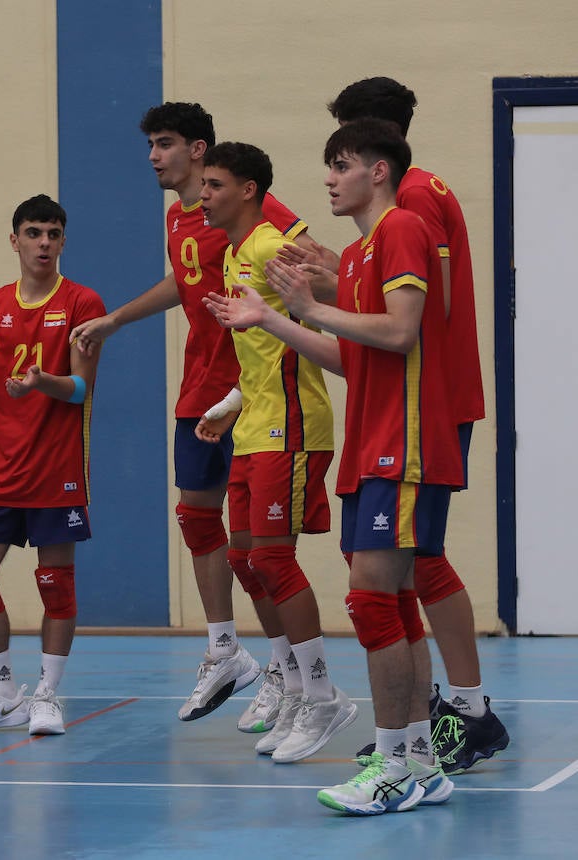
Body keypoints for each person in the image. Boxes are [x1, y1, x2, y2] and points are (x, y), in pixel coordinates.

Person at [205, 119, 456, 814]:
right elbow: (352, 359)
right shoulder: (362, 250)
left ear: (377, 170)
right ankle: (419, 761)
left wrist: (315, 304)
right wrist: (278, 318)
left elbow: (402, 332)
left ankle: (393, 765)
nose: (328, 178)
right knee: (394, 602)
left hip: (401, 444)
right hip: (374, 440)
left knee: (373, 601)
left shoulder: (400, 228)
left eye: (341, 165)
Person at [71, 103, 309, 733]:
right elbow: (183, 281)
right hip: (199, 388)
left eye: (166, 143)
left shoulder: (249, 212)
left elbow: (303, 254)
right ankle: (227, 649)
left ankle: (291, 671)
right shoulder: (183, 218)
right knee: (197, 519)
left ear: (200, 150)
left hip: (254, 396)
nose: (154, 155)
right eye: (150, 143)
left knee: (255, 547)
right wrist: (116, 320)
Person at [321, 76, 510, 774]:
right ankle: (426, 719)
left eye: (343, 150)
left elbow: (415, 310)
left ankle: (466, 710)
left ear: (375, 145)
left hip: (427, 398)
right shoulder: (396, 215)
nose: (335, 170)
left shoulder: (412, 202)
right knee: (391, 567)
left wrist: (316, 302)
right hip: (407, 395)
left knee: (410, 561)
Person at [195, 142, 355, 762]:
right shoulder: (235, 252)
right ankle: (290, 684)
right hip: (253, 425)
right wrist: (231, 402)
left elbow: (318, 329)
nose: (203, 195)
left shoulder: (269, 248)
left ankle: (322, 698)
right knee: (244, 559)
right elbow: (266, 354)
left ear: (250, 190)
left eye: (214, 184)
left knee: (274, 560)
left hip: (291, 428)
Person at [0, 194, 104, 735]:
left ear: (63, 242)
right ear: (14, 240)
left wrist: (43, 382)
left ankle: (49, 696)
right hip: (1, 472)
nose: (43, 243)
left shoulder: (83, 303)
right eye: (33, 233)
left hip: (56, 468)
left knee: (55, 583)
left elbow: (82, 388)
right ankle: (1, 689)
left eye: (53, 234)